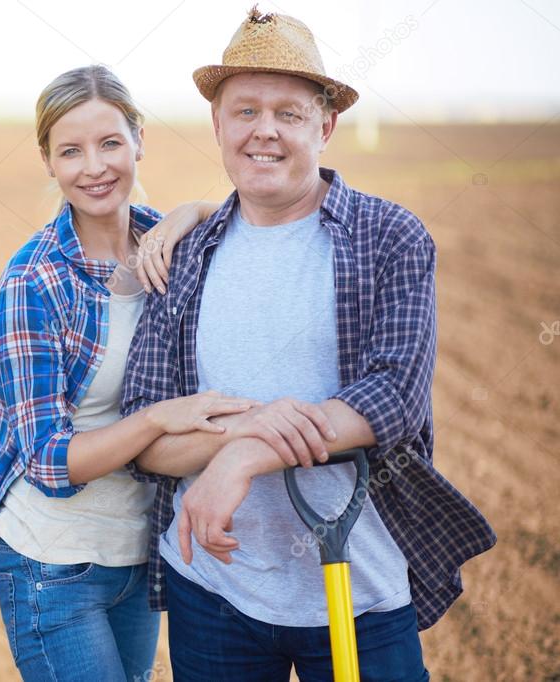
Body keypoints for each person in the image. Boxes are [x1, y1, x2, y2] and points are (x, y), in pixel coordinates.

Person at [120, 8, 497, 681]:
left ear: (324, 127)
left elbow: (391, 399)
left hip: (359, 593)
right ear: (217, 125)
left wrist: (240, 457)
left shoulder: (389, 238)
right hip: (212, 596)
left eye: (288, 113)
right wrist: (247, 436)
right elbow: (146, 439)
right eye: (244, 111)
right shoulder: (183, 255)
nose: (263, 130)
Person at [0, 65, 267, 681]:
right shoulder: (30, 283)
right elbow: (46, 461)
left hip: (137, 557)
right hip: (52, 568)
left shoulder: (162, 241)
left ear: (139, 139)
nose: (94, 167)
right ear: (48, 162)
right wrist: (155, 420)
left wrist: (189, 212)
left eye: (110, 143)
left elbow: (243, 212)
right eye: (71, 151)